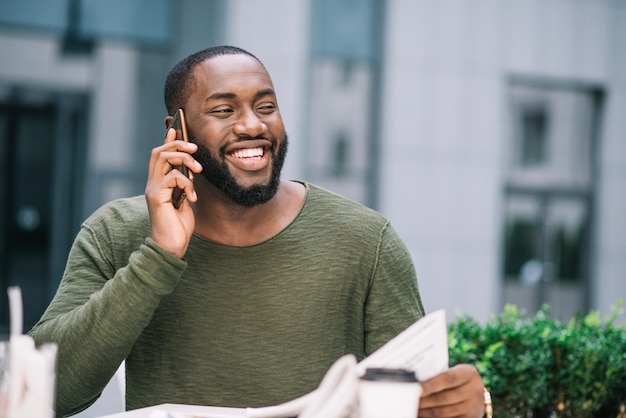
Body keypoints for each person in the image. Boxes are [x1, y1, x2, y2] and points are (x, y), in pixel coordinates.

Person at [29, 45, 487, 418]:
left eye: (266, 106)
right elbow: (52, 395)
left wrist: (470, 406)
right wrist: (161, 251)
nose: (253, 125)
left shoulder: (367, 241)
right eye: (224, 110)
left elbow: (413, 401)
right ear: (177, 132)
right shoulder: (115, 232)